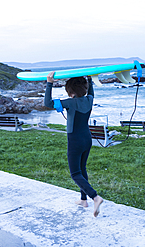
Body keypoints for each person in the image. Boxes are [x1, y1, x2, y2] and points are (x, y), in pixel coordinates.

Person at [44, 72, 103, 217]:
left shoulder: (70, 102)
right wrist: (89, 78)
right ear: (85, 88)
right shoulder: (89, 99)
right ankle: (83, 200)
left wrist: (49, 82)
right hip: (87, 139)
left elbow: (47, 103)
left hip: (75, 140)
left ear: (70, 91)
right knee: (82, 169)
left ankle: (95, 197)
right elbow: (91, 92)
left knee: (75, 173)